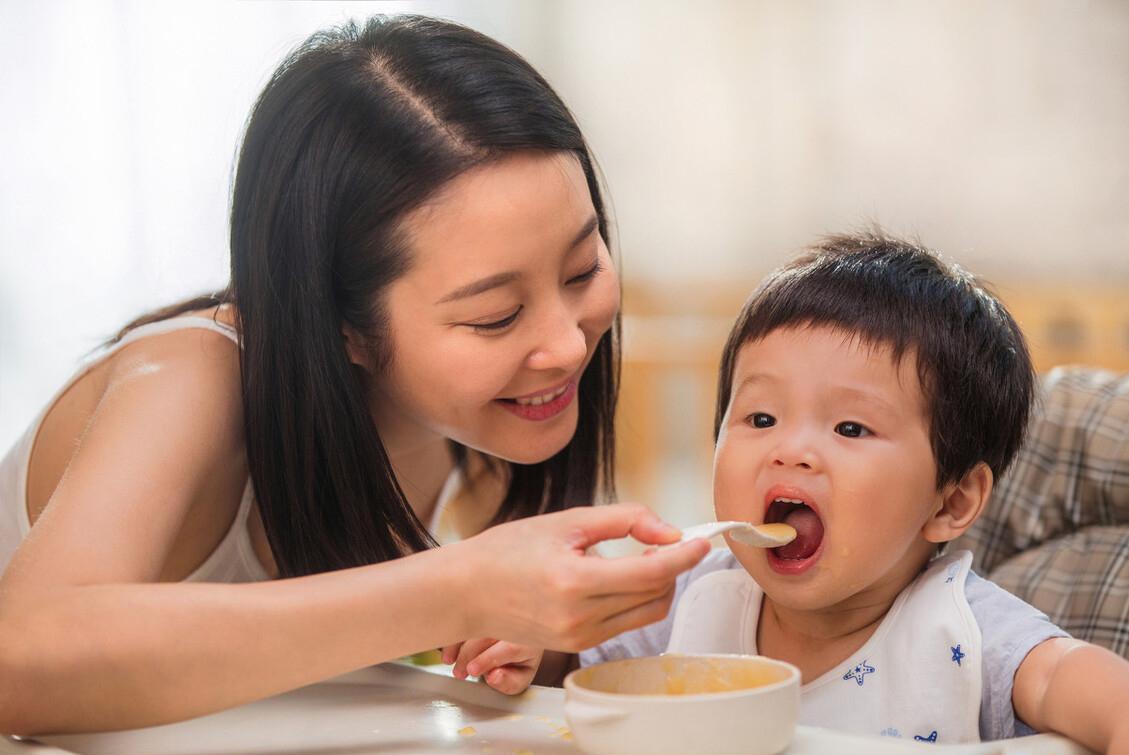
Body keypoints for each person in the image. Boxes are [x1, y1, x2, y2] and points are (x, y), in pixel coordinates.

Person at [0, 15, 710, 735]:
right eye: (496, 315)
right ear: (341, 326)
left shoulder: (474, 425)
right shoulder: (188, 378)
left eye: (583, 268)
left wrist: (530, 636)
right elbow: (16, 664)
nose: (564, 345)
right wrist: (457, 589)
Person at [579, 231, 1129, 754]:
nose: (789, 451)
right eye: (761, 419)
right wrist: (526, 645)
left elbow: (1115, 703)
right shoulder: (692, 598)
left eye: (850, 427)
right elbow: (565, 671)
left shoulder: (962, 631)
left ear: (951, 502)